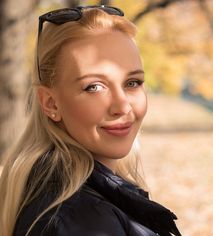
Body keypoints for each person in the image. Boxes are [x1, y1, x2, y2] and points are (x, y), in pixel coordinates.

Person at [0, 5, 182, 236]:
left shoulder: (80, 200)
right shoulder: (80, 220)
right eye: (94, 87)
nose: (123, 106)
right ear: (51, 103)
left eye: (132, 82)